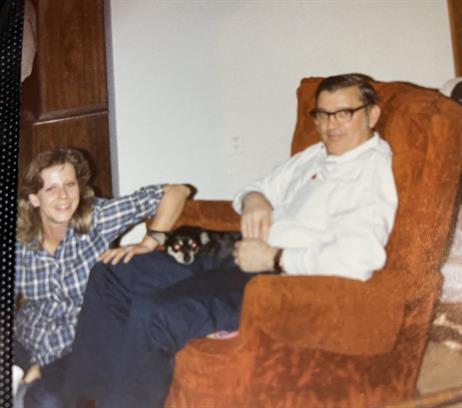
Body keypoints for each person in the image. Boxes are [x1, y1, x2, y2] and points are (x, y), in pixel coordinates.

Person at [63, 73, 398, 407]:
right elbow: (255, 188)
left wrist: (274, 258)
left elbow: (360, 257)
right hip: (237, 251)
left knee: (155, 313)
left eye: (343, 113)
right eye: (322, 114)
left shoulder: (369, 173)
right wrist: (256, 200)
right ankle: (82, 401)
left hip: (278, 281)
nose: (330, 125)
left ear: (372, 115)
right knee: (112, 276)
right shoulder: (317, 154)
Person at [14, 148, 192, 407]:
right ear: (34, 198)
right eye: (51, 189)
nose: (64, 196)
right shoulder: (20, 244)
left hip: (74, 349)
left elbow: (177, 192)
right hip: (24, 340)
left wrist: (149, 242)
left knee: (45, 400)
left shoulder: (96, 219)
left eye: (70, 185)